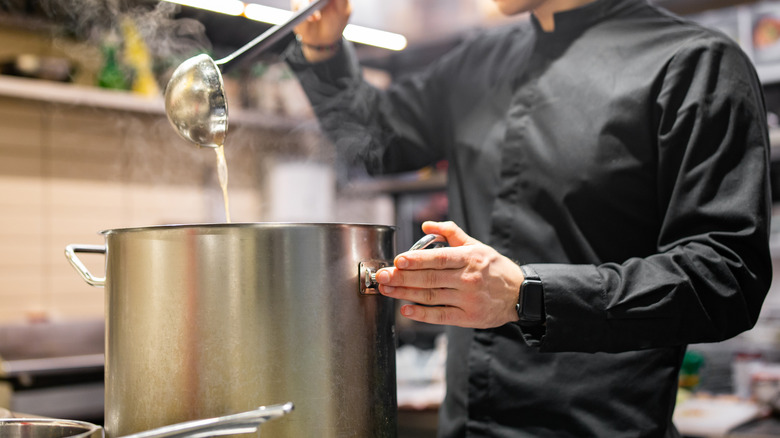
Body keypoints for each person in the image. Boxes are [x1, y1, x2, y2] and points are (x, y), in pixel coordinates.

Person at [285, 0, 773, 436]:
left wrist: (528, 295)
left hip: (604, 425)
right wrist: (325, 51)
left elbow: (725, 276)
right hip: (465, 423)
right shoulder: (476, 62)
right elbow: (378, 142)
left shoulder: (693, 63)